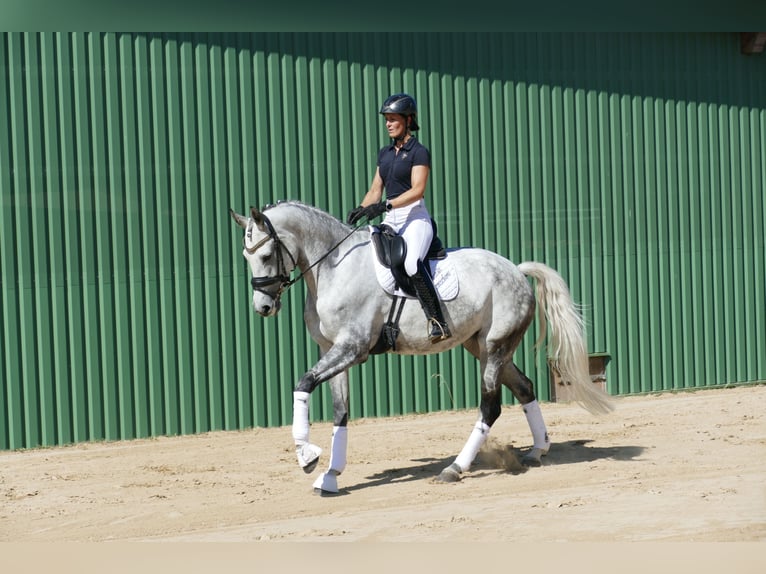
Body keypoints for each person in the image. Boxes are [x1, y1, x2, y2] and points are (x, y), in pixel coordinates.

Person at [347, 93, 451, 343]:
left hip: (415, 219)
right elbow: (375, 189)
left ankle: (437, 320)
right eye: (386, 120)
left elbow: (417, 190)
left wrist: (386, 204)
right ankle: (388, 324)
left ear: (408, 120)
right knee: (373, 262)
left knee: (412, 263)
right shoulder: (384, 154)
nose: (388, 124)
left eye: (393, 119)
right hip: (392, 219)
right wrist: (362, 208)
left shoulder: (419, 152)